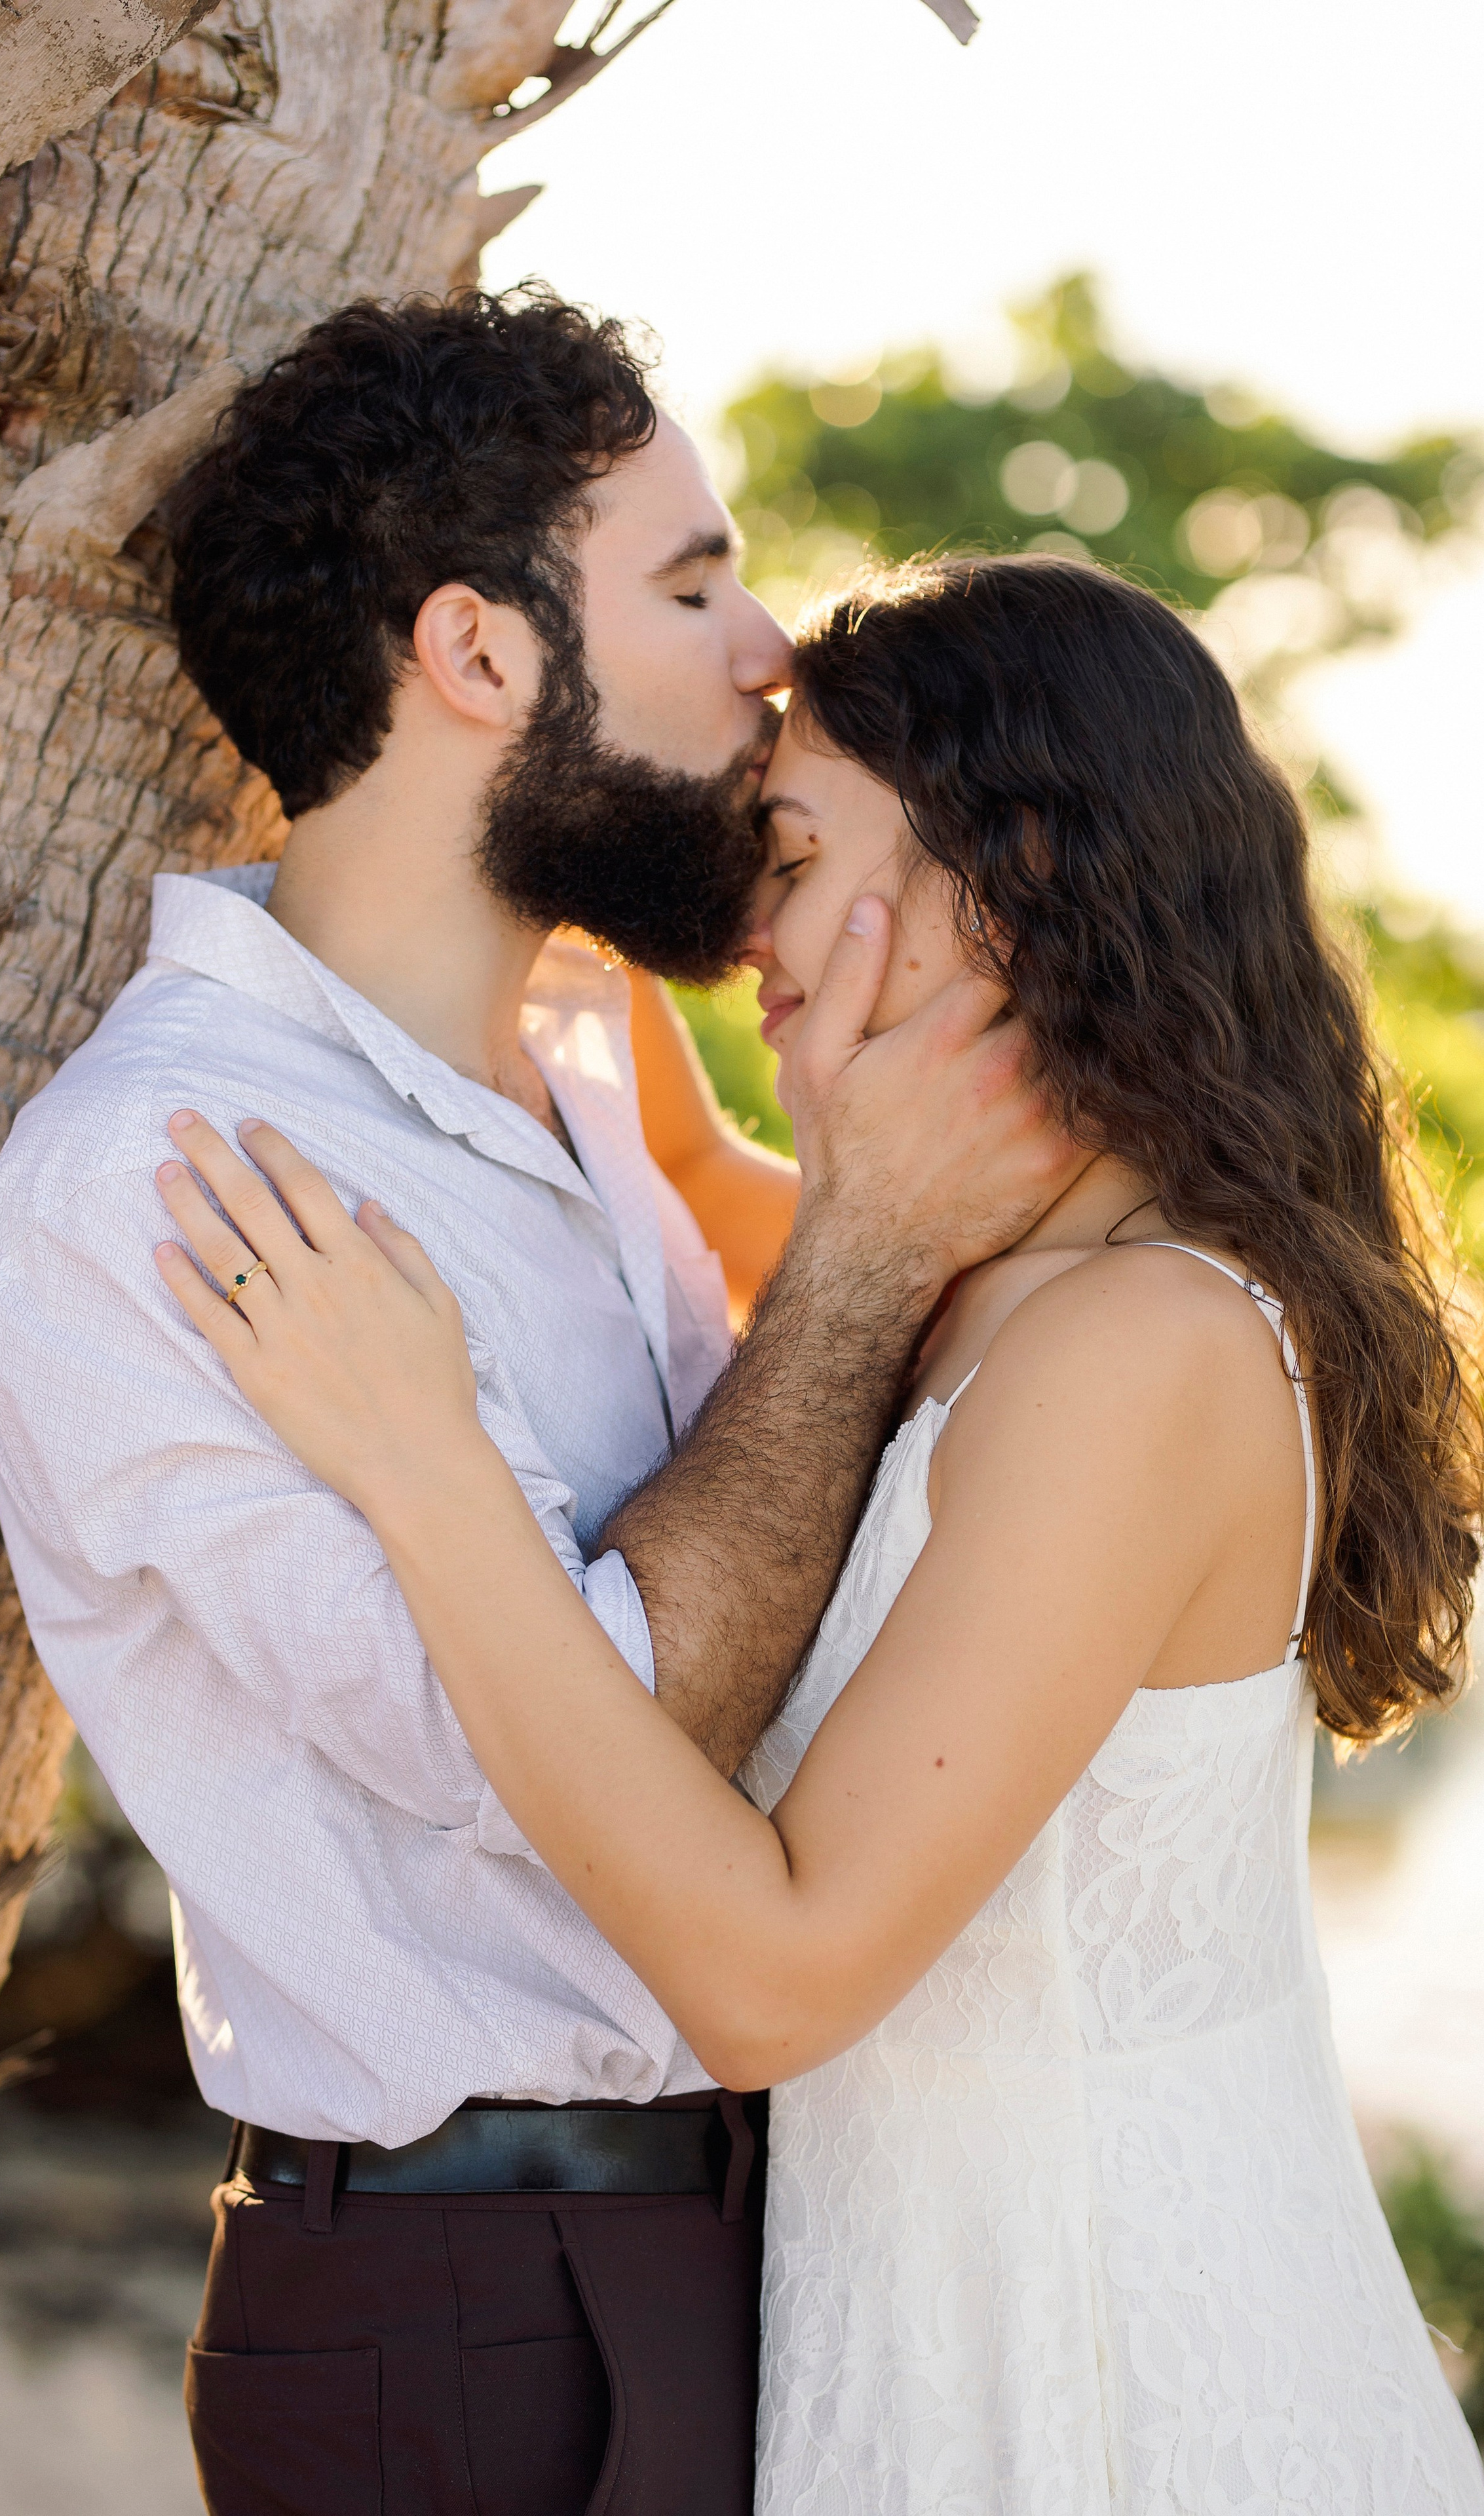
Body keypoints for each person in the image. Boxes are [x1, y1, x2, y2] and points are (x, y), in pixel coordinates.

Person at [151, 554, 1484, 2512]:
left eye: (782, 854)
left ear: (1006, 865)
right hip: (928, 2306)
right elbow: (723, 1191)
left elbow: (774, 1980)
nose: (739, 925)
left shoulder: (1141, 1345)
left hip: (1101, 2371)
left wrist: (427, 1476)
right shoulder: (988, 1270)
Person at [0, 297, 1073, 2516]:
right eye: (689, 583)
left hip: (778, 2237)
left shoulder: (572, 1074)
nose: (770, 653)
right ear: (477, 657)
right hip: (485, 2323)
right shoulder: (169, 1189)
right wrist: (856, 1253)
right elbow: (595, 1731)